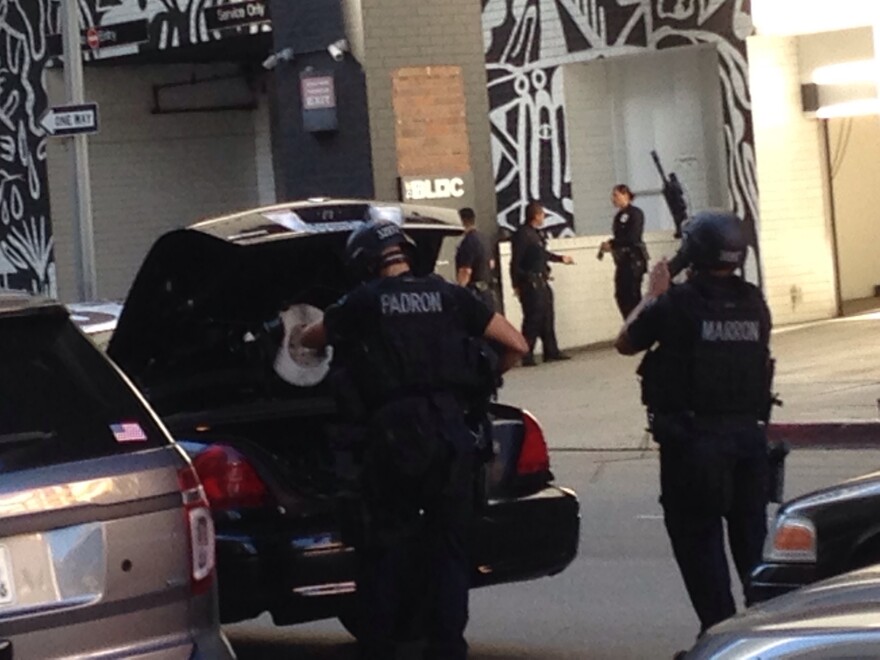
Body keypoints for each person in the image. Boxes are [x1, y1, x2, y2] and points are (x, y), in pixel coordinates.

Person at [300, 220, 528, 660]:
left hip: (394, 439)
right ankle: (446, 648)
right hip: (451, 435)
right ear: (406, 254)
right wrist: (477, 381)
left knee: (381, 548)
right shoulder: (450, 295)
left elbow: (311, 337)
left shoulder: (364, 301)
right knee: (449, 550)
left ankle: (382, 647)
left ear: (365, 263)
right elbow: (515, 343)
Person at [614, 211, 773, 638]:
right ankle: (768, 634)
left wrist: (653, 293)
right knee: (754, 551)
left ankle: (721, 640)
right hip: (749, 443)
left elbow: (626, 342)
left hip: (694, 447)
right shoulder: (754, 302)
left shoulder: (677, 303)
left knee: (700, 548)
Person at [509, 201, 574, 366]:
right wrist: (516, 283)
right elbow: (515, 261)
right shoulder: (522, 235)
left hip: (541, 280)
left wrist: (560, 259)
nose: (544, 217)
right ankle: (526, 353)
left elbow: (543, 254)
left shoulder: (536, 234)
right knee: (533, 318)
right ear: (536, 215)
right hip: (530, 282)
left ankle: (551, 350)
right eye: (542, 215)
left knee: (547, 316)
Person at [600, 184, 649, 319]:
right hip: (623, 261)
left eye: (616, 195)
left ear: (625, 195)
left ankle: (640, 325)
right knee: (621, 294)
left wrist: (613, 243)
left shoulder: (635, 213)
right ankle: (630, 323)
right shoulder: (619, 216)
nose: (613, 199)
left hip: (634, 260)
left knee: (633, 295)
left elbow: (633, 237)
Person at [455, 207, 496, 310]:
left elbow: (465, 271)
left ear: (461, 221)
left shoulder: (468, 242)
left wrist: (459, 292)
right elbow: (491, 264)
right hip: (487, 292)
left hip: (474, 293)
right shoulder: (484, 239)